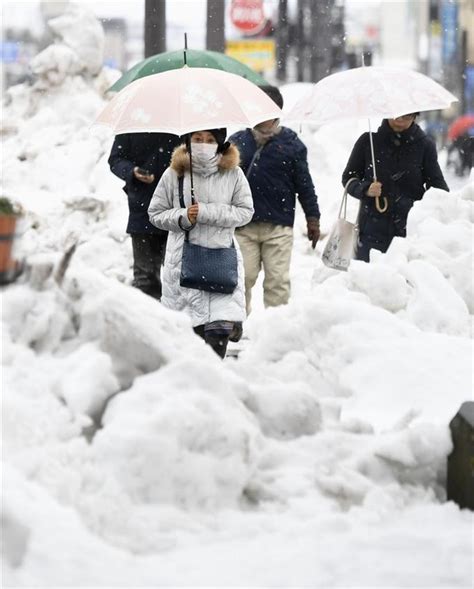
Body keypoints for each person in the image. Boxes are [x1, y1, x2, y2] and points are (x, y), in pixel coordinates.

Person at [148, 129, 254, 359]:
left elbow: (246, 212)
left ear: (220, 144)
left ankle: (215, 385)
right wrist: (184, 216)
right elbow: (155, 214)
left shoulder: (233, 174)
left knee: (218, 334)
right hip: (183, 265)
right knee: (189, 340)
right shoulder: (173, 174)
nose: (203, 144)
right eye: (197, 139)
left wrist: (207, 212)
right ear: (188, 140)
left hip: (220, 263)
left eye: (210, 140)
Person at [229, 86, 321, 315]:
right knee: (243, 278)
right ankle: (236, 325)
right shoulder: (237, 141)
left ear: (278, 111)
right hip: (243, 226)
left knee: (277, 282)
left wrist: (313, 218)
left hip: (278, 226)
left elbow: (304, 185)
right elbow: (223, 182)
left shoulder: (291, 144)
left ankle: (275, 328)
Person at [342, 113, 449, 262]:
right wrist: (365, 188)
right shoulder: (368, 142)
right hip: (371, 231)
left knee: (404, 282)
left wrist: (424, 210)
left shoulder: (425, 146)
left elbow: (439, 189)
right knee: (367, 280)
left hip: (409, 233)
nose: (399, 120)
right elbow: (348, 178)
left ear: (415, 116)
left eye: (406, 116)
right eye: (395, 115)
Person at [108, 132, 180, 299]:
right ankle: (147, 320)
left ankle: (177, 322)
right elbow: (115, 159)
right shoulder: (134, 122)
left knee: (178, 277)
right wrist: (132, 172)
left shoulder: (181, 119)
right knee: (145, 279)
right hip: (142, 209)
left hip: (177, 210)